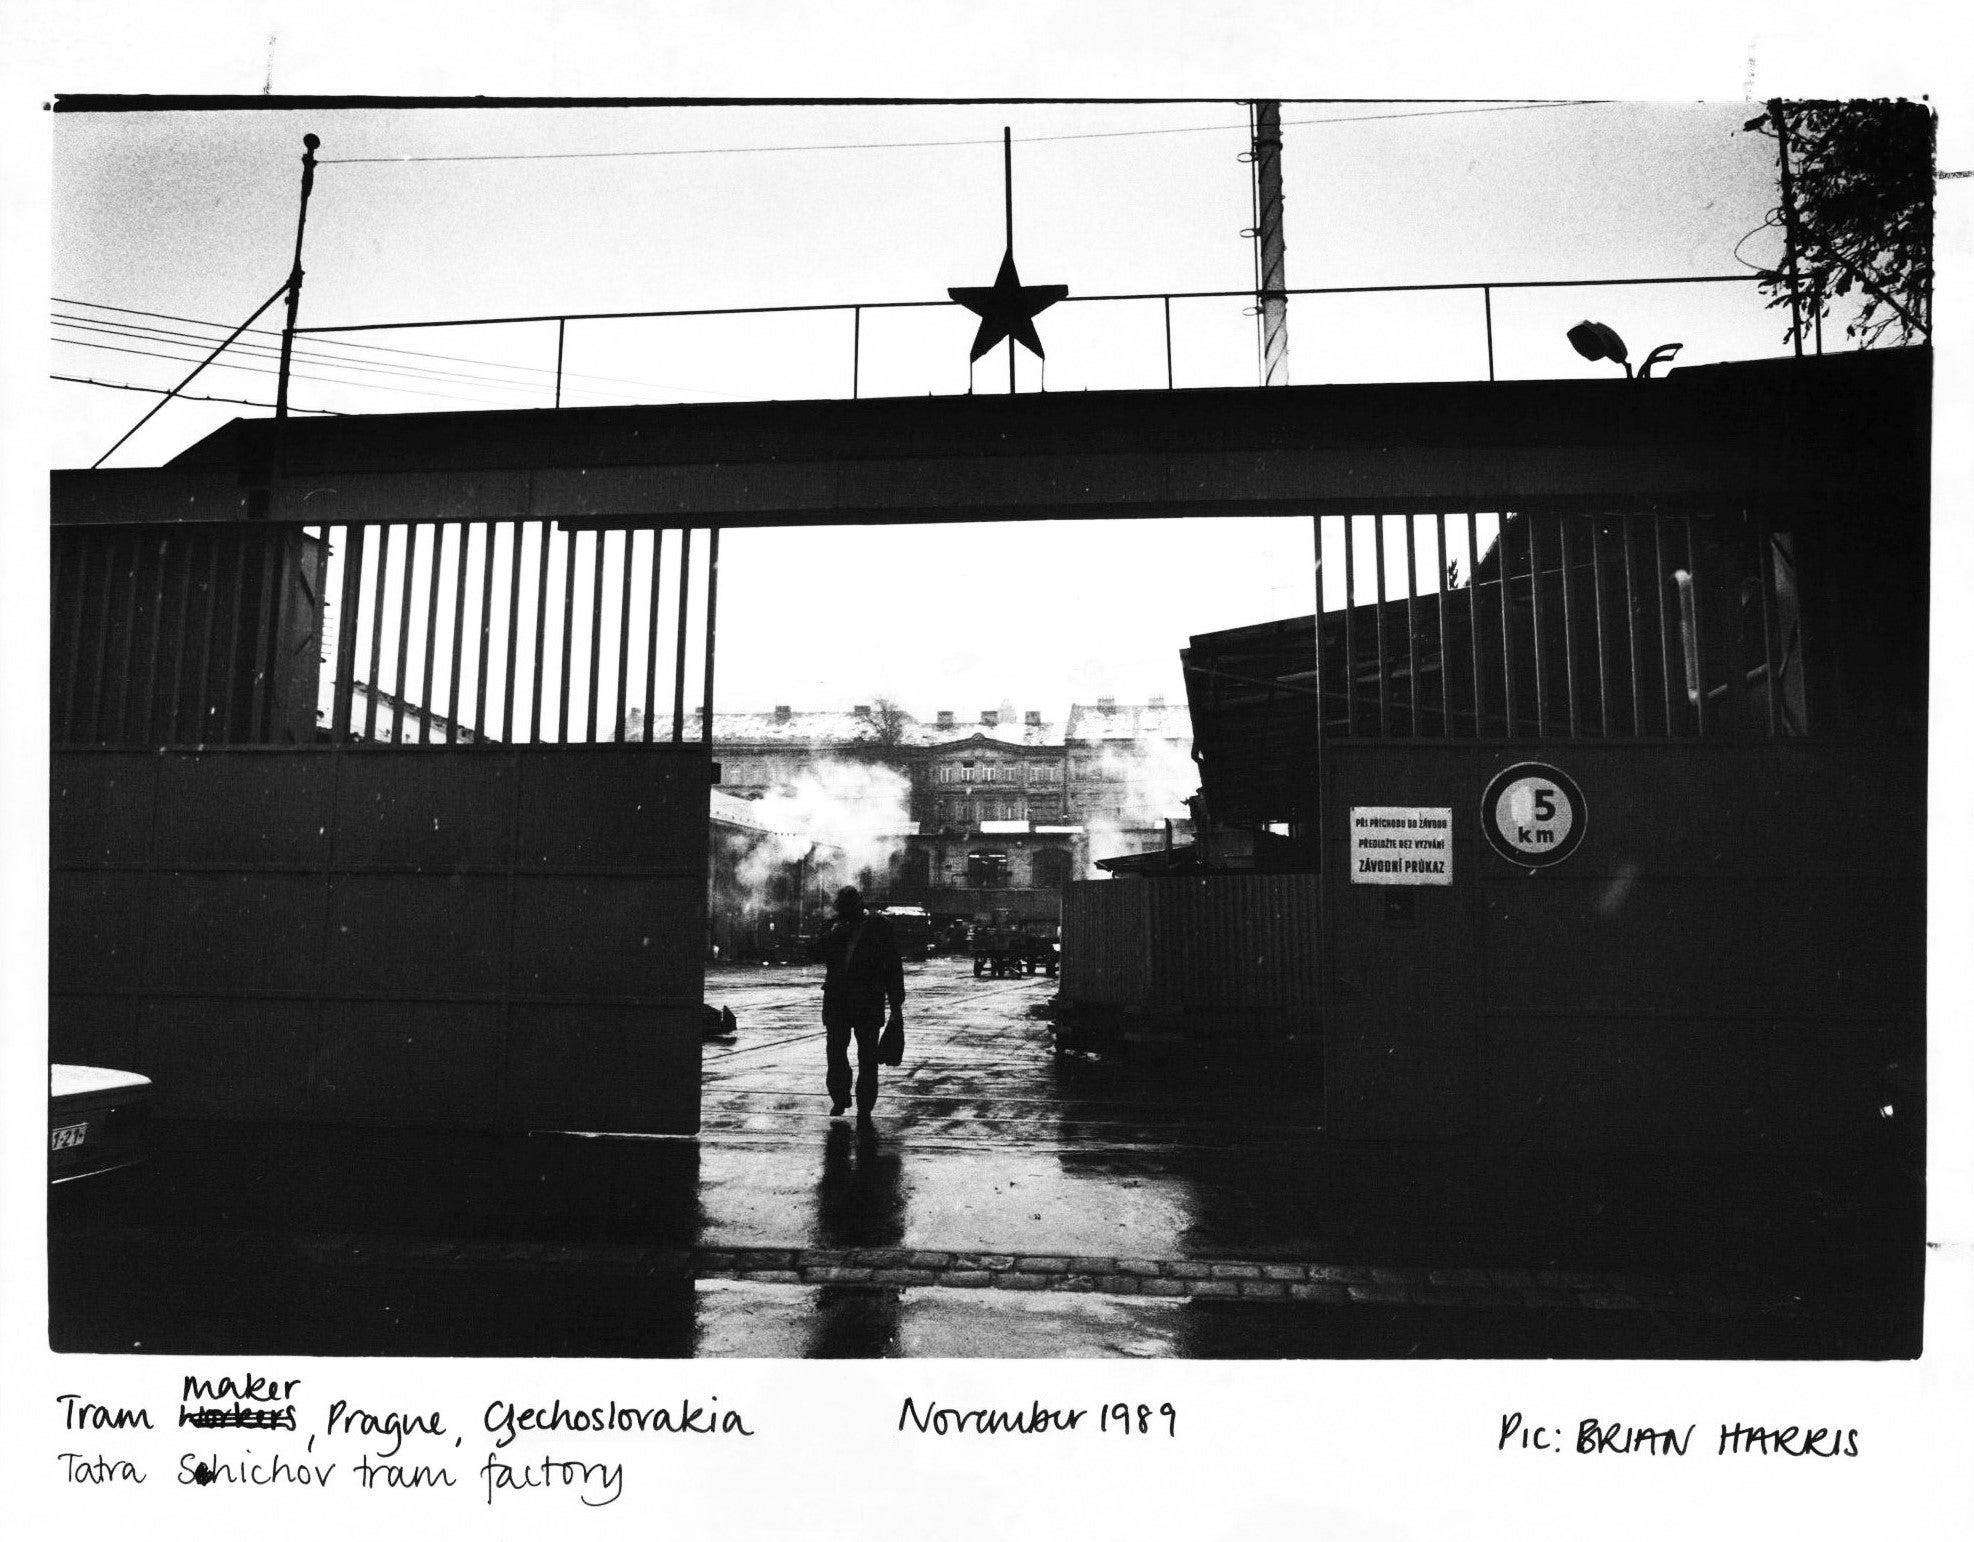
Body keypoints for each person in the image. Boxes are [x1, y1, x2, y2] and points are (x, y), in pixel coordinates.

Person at [810, 886, 905, 1128]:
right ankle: (841, 1097)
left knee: (867, 1057)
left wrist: (896, 1003)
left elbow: (892, 964)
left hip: (865, 1000)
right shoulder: (834, 926)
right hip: (842, 1000)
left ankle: (864, 1106)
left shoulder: (878, 926)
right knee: (837, 1054)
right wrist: (836, 933)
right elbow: (814, 952)